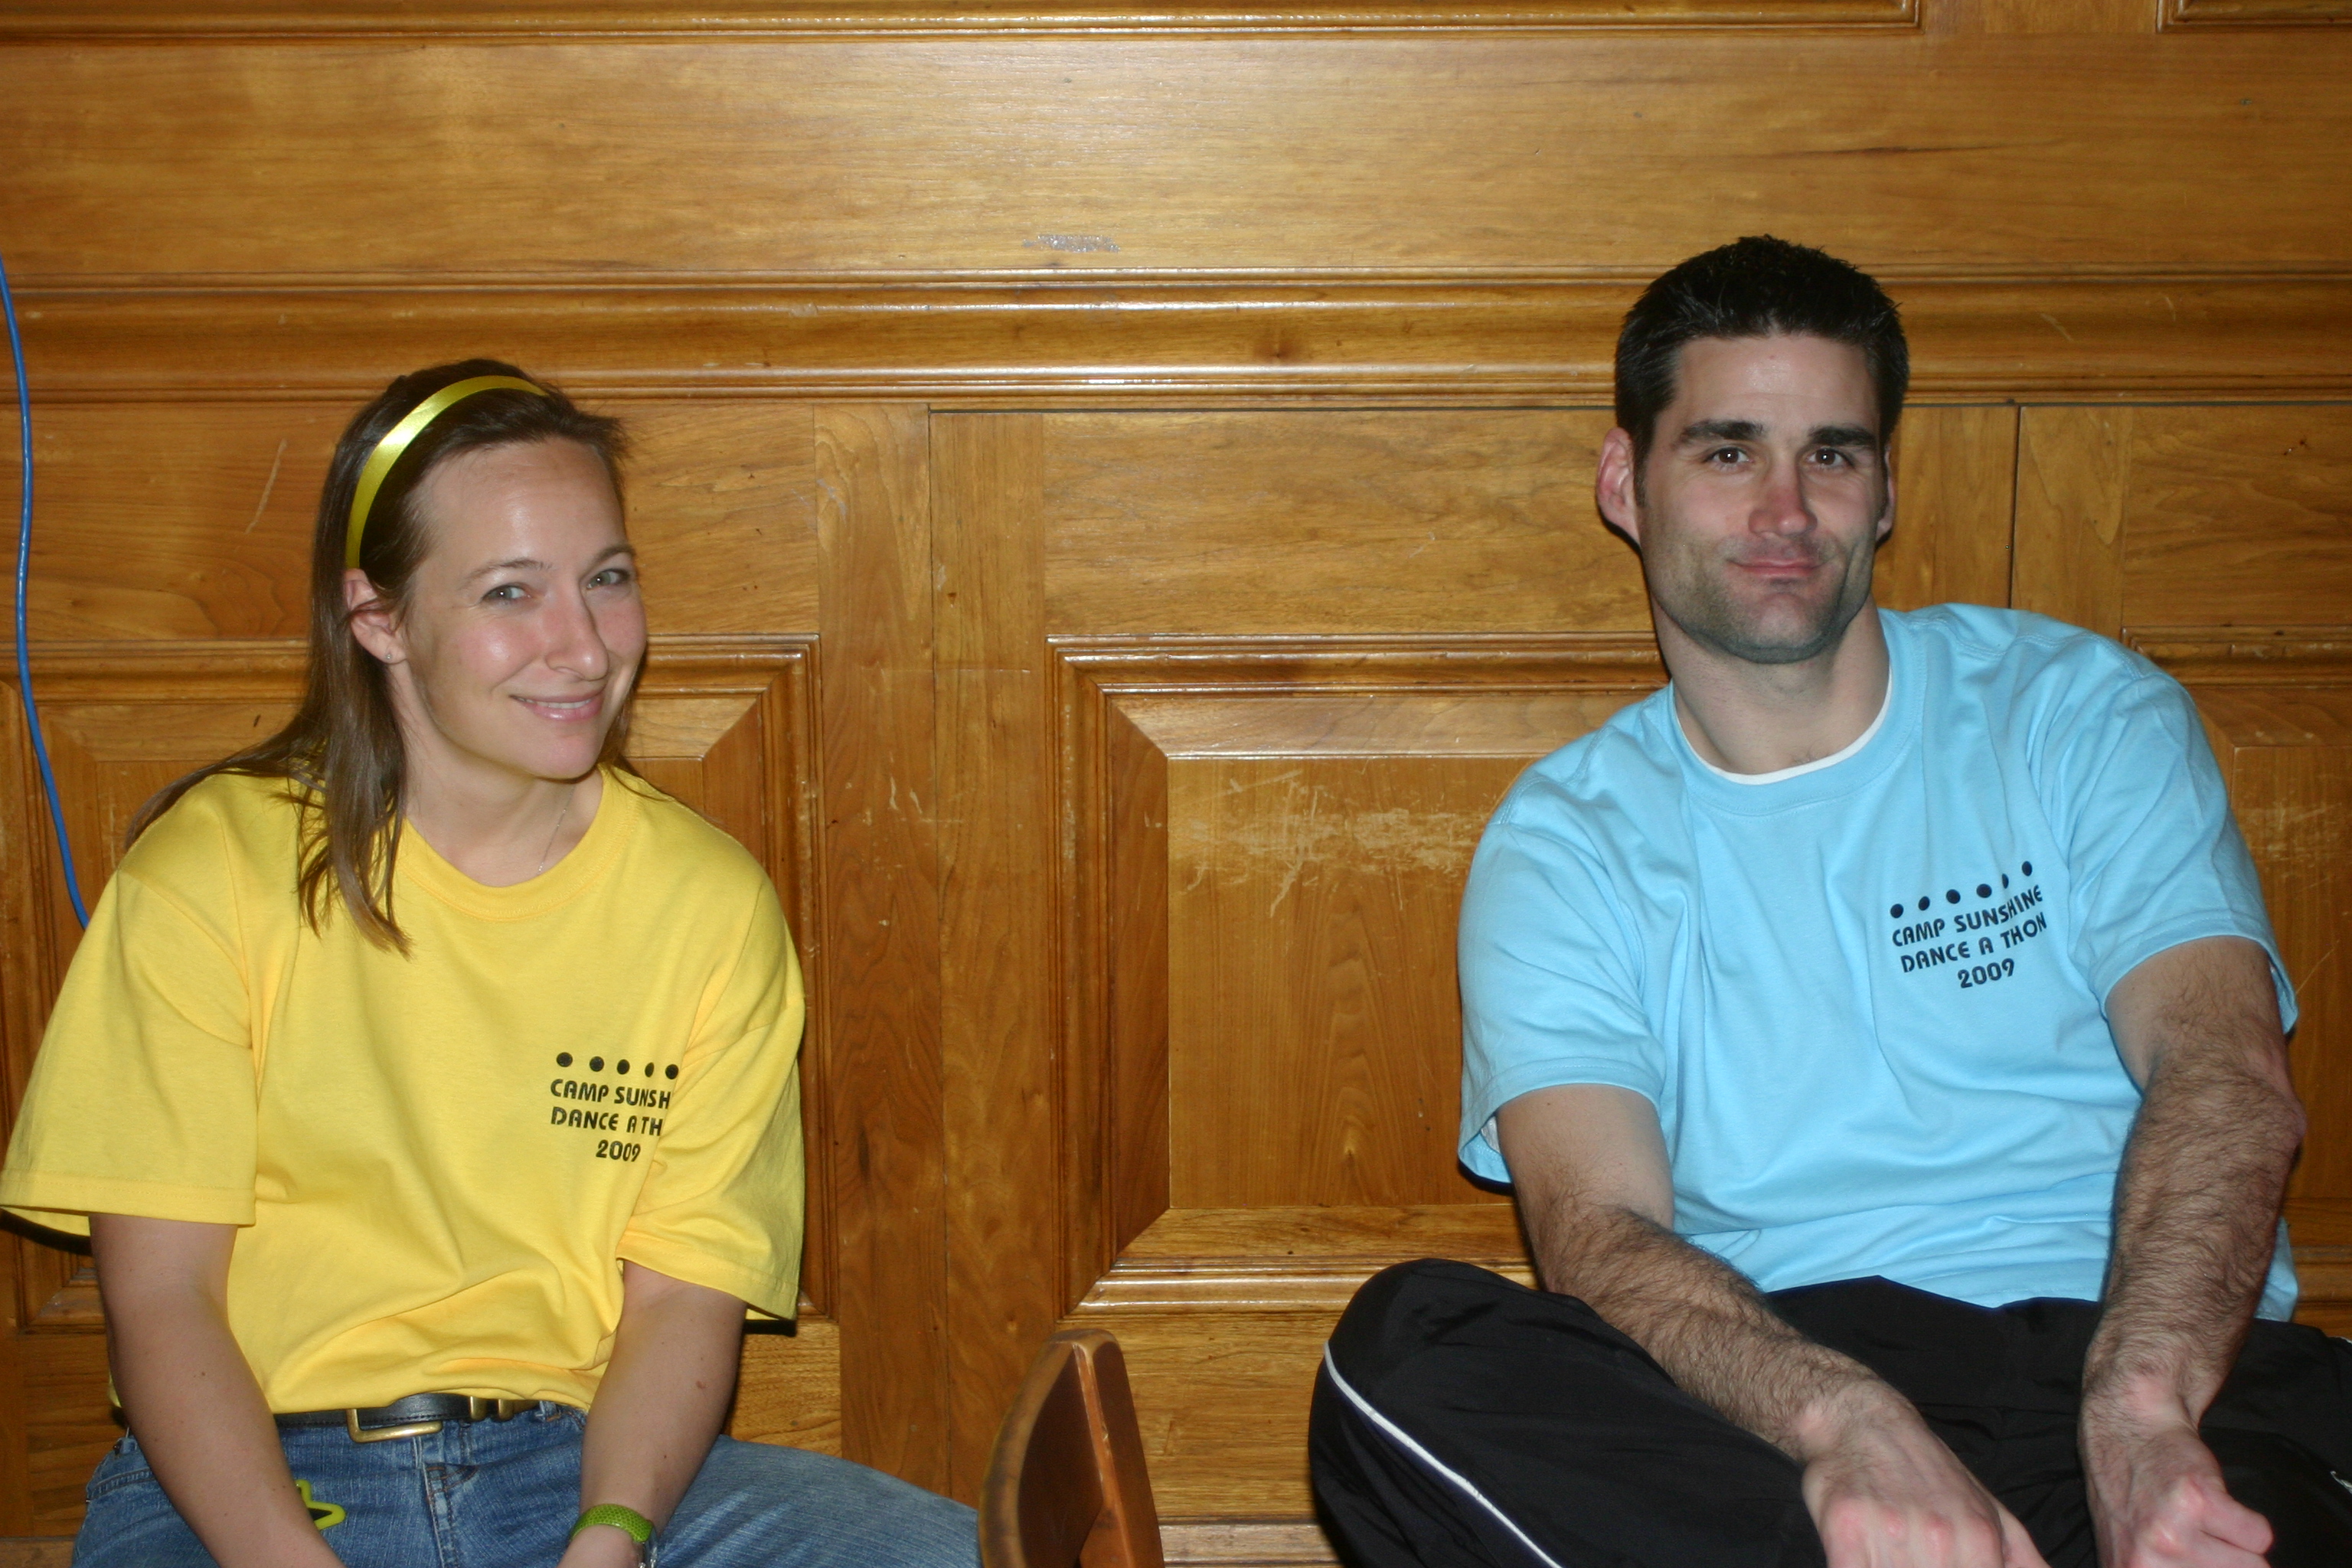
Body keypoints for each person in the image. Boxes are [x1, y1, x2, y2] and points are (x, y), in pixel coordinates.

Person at [1308, 238, 2352, 1568]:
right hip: (1789, 1399)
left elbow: (2226, 1074)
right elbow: (1597, 1233)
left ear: (1886, 488)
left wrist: (2141, 1412)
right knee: (1403, 1356)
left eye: (1834, 454)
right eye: (1728, 451)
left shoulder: (2077, 715)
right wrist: (1845, 1422)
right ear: (1628, 483)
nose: (1787, 510)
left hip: (2154, 1357)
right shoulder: (1568, 842)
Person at [0, 361, 978, 1568]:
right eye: (512, 592)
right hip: (251, 1481)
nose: (584, 647)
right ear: (379, 619)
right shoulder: (211, 871)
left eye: (606, 579)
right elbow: (162, 1298)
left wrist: (613, 1537)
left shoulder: (709, 906)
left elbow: (682, 1300)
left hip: (576, 1467)